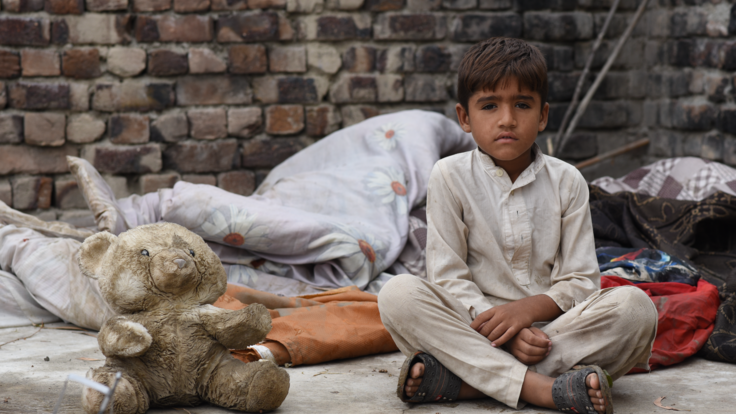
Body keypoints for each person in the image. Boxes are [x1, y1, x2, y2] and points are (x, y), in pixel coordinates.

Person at [377, 37, 658, 414]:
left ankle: (463, 383)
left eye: (522, 105)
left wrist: (525, 313)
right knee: (397, 294)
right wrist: (505, 337)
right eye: (489, 105)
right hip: (474, 327)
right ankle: (543, 388)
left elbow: (580, 281)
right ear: (464, 117)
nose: (507, 119)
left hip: (553, 335)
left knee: (636, 308)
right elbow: (447, 278)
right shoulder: (449, 175)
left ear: (542, 115)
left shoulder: (567, 180)